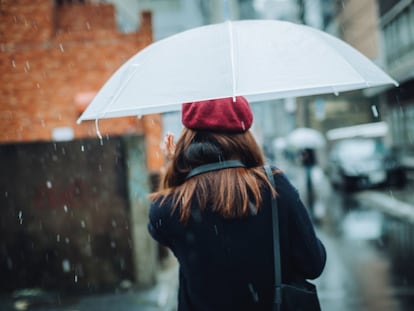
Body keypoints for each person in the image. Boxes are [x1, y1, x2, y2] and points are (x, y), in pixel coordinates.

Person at [148, 97, 326, 310]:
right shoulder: (273, 185)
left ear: (189, 138)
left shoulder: (169, 207)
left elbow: (161, 230)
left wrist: (178, 169)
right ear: (245, 138)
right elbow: (313, 264)